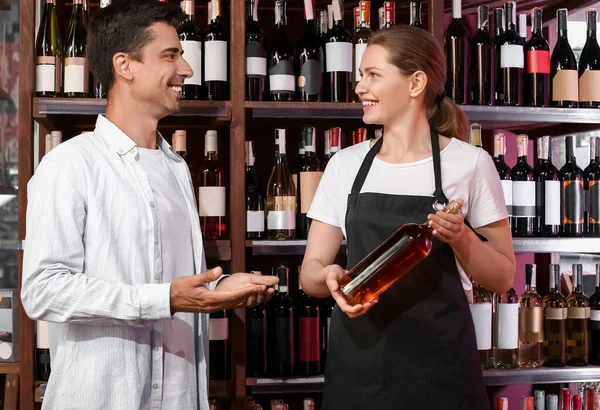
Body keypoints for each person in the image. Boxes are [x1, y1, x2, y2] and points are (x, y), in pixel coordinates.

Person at [21, 1, 278, 409]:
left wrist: (217, 290)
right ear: (125, 65)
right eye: (170, 56)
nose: (187, 71)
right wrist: (167, 299)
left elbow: (170, 281)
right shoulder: (69, 165)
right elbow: (44, 291)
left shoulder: (176, 168)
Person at [301, 25, 515, 410]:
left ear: (415, 82)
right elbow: (311, 271)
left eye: (372, 75)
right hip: (360, 369)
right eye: (360, 76)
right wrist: (329, 277)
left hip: (442, 370)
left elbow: (502, 277)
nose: (359, 88)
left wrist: (461, 238)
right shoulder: (344, 165)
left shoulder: (470, 163)